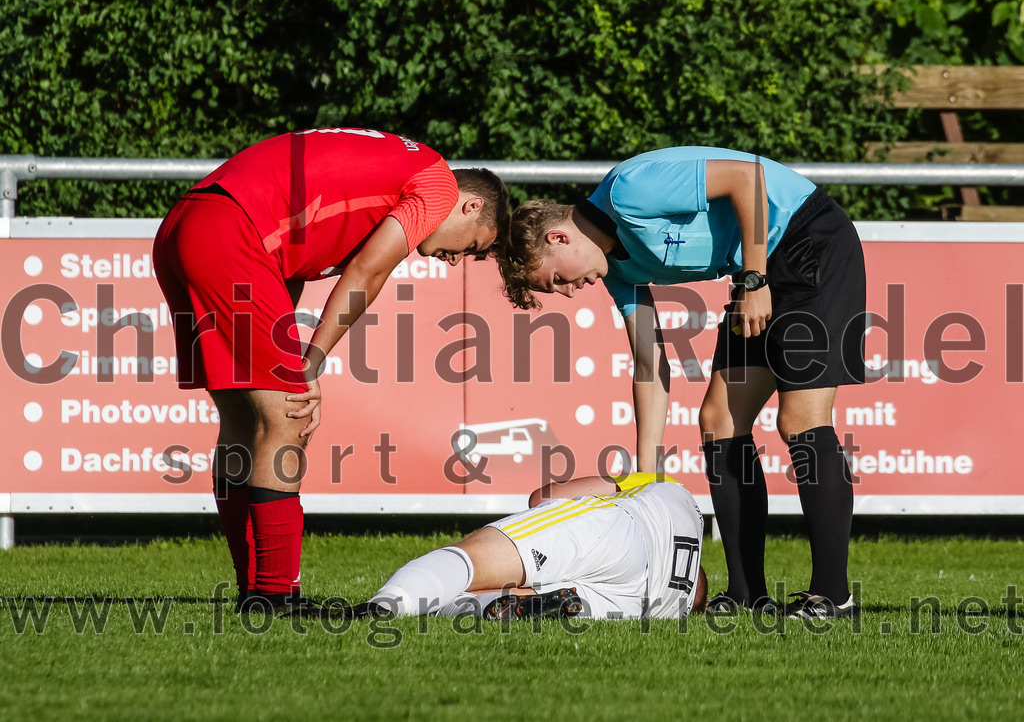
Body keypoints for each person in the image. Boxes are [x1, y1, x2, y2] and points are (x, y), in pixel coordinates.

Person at [494, 146, 865, 619]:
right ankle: (749, 591)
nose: (568, 291)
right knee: (718, 420)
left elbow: (748, 178)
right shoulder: (617, 270)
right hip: (761, 269)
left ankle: (834, 595)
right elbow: (649, 363)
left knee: (800, 421)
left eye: (555, 280)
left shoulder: (629, 191)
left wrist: (753, 280)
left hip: (809, 242)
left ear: (557, 238)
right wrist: (645, 474)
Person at [152, 128, 511, 616]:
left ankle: (256, 591)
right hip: (231, 232)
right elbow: (368, 271)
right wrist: (310, 364)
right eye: (472, 246)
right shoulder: (438, 184)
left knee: (244, 424)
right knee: (288, 419)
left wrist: (295, 356)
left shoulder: (383, 183)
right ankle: (277, 596)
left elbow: (286, 268)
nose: (457, 260)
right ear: (470, 207)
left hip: (188, 224)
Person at [352, 472, 707, 620]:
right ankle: (527, 605)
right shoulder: (684, 596)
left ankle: (380, 608)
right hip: (637, 601)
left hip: (619, 531)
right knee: (487, 595)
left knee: (472, 561)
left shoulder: (666, 488)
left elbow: (543, 498)